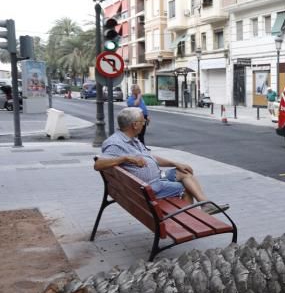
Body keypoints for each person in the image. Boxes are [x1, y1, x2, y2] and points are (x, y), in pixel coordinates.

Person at [95, 107, 229, 215]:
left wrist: (174, 163)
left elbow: (150, 157)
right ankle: (187, 221)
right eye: (143, 122)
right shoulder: (116, 143)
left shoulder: (132, 139)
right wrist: (125, 158)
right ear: (134, 125)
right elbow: (98, 164)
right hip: (150, 188)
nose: (144, 124)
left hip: (154, 180)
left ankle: (205, 204)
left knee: (185, 171)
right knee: (188, 188)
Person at [126, 84, 150, 148]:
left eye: (139, 89)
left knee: (142, 133)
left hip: (143, 117)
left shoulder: (140, 98)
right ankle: (138, 147)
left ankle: (142, 147)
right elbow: (135, 104)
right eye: (138, 89)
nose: (139, 91)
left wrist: (147, 116)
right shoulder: (130, 99)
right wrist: (139, 97)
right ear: (133, 91)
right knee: (137, 133)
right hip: (136, 118)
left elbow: (143, 107)